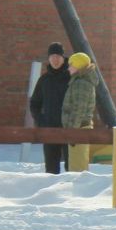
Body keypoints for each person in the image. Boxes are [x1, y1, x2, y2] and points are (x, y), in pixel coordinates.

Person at [29, 42, 70, 173]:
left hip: (70, 129)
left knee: (73, 169)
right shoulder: (44, 80)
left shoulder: (72, 78)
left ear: (63, 58)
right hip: (50, 129)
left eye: (58, 56)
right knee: (51, 169)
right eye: (52, 56)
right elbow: (34, 103)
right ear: (49, 59)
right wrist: (41, 121)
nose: (55, 59)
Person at [62, 51, 99, 172]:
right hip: (81, 128)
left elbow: (79, 110)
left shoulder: (81, 84)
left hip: (78, 129)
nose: (68, 68)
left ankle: (78, 190)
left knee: (77, 168)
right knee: (79, 163)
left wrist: (73, 132)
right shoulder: (82, 81)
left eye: (71, 64)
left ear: (78, 66)